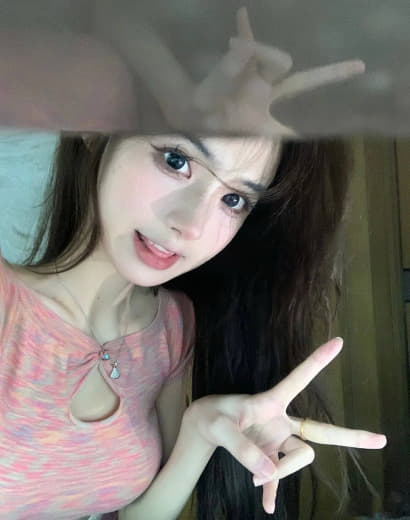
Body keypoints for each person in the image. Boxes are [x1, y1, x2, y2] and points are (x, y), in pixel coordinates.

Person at [0, 8, 386, 520]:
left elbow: (137, 515)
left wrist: (200, 432)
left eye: (234, 200)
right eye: (176, 159)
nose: (191, 225)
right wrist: (152, 71)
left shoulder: (172, 329)